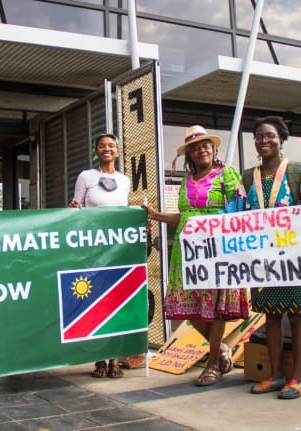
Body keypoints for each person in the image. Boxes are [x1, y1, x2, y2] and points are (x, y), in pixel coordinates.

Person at [143, 125, 249, 386]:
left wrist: (212, 226)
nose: (201, 150)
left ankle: (212, 364)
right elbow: (185, 216)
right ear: (189, 154)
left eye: (205, 146)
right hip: (187, 251)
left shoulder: (227, 174)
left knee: (215, 310)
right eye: (195, 147)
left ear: (214, 150)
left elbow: (239, 209)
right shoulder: (185, 180)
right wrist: (156, 215)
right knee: (188, 309)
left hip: (217, 248)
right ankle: (222, 348)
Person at [243, 116, 301, 400]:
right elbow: (233, 210)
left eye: (269, 136)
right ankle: (275, 375)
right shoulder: (247, 177)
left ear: (281, 139)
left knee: (298, 313)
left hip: (294, 256)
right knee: (272, 315)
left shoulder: (296, 172)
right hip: (262, 258)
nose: (264, 141)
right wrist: (204, 226)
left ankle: (298, 378)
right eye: (258, 136)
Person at [68, 133, 131, 379]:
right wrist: (73, 209)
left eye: (111, 146)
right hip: (94, 251)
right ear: (96, 150)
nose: (107, 149)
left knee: (117, 302)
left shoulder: (125, 180)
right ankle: (99, 360)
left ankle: (115, 359)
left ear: (117, 151)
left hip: (118, 251)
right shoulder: (86, 176)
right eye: (102, 146)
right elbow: (76, 209)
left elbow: (125, 213)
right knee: (96, 302)